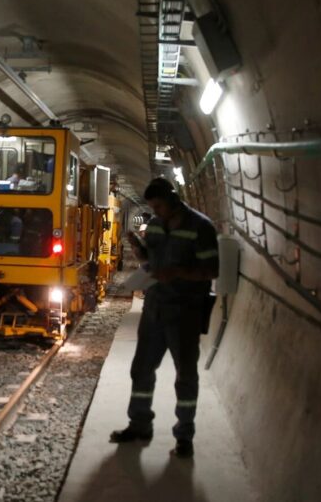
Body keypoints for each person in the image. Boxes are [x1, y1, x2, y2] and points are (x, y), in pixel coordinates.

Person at [110, 178, 220, 458]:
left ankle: (184, 436)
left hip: (185, 311)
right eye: (152, 207)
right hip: (155, 308)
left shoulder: (201, 227)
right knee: (141, 369)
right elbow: (151, 263)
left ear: (172, 198)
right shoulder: (157, 225)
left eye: (158, 206)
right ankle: (139, 424)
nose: (155, 212)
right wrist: (139, 251)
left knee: (185, 375)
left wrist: (179, 273)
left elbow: (212, 270)